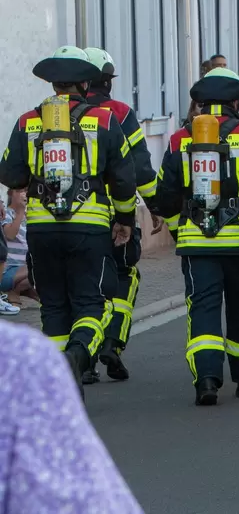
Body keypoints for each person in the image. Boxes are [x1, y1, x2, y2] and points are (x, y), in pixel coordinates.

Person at [0, 46, 136, 395]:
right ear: (86, 83)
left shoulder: (28, 121)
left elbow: (10, 174)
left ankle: (60, 383)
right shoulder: (105, 120)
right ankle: (78, 354)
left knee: (54, 304)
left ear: (54, 84)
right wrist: (124, 219)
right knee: (94, 302)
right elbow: (123, 178)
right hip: (88, 228)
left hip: (42, 230)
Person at [156, 67, 239, 405]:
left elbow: (165, 193)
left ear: (200, 102)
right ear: (236, 101)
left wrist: (179, 228)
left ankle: (207, 379)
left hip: (197, 243)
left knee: (203, 307)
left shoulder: (181, 139)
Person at [0, 321, 144, 513]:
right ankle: (75, 359)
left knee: (54, 313)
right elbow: (81, 500)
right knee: (92, 309)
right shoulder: (19, 359)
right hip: (46, 372)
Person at [82, 47, 161, 383]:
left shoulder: (54, 115)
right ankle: (112, 342)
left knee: (82, 288)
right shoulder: (119, 112)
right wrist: (157, 206)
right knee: (124, 276)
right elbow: (139, 167)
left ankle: (82, 362)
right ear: (106, 80)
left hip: (66, 219)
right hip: (115, 213)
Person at [2, 190, 36, 307]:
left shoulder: (28, 217)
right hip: (7, 272)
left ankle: (19, 291)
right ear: (11, 193)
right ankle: (14, 292)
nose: (24, 194)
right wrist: (20, 211)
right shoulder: (6, 213)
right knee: (42, 268)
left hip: (22, 272)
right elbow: (10, 234)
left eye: (26, 191)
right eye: (20, 191)